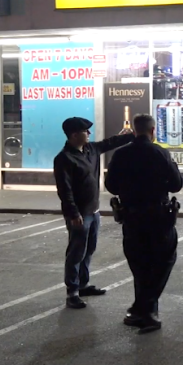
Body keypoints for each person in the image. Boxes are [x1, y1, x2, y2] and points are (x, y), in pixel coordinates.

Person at [105, 114, 183, 333]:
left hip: (132, 216)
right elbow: (176, 185)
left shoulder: (121, 154)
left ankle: (140, 309)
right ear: (152, 131)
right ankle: (148, 310)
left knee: (139, 264)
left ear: (134, 131)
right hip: (158, 217)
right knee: (163, 260)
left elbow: (111, 185)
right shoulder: (160, 153)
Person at [54, 117, 134, 310]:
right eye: (85, 131)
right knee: (76, 252)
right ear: (74, 135)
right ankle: (72, 292)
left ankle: (83, 284)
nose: (89, 134)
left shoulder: (91, 150)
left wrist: (134, 135)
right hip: (80, 214)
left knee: (89, 249)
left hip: (94, 211)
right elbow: (65, 190)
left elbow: (110, 143)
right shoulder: (64, 158)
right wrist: (74, 214)